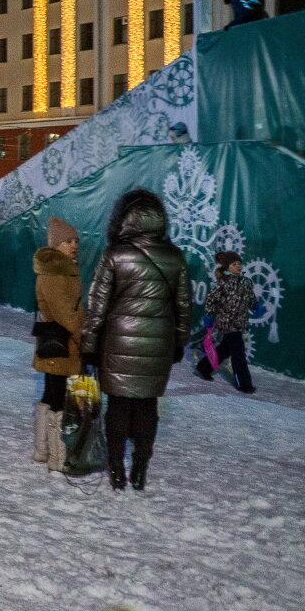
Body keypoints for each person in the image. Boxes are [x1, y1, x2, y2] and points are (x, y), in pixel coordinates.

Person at [80, 189, 190, 492]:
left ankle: (116, 467)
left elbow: (97, 306)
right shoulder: (174, 256)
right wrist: (179, 342)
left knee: (117, 406)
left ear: (122, 219)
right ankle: (141, 467)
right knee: (146, 407)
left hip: (118, 343)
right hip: (157, 345)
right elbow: (183, 305)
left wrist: (89, 346)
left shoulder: (115, 254)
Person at [30, 217, 84, 472]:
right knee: (59, 400)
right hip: (62, 343)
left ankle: (43, 451)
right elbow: (64, 313)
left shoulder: (63, 268)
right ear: (56, 245)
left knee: (52, 395)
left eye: (75, 241)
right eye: (68, 241)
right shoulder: (55, 272)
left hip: (59, 344)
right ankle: (58, 458)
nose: (74, 245)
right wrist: (84, 332)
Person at [197, 250, 258, 393]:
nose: (238, 266)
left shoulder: (246, 282)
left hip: (240, 321)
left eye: (239, 264)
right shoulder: (222, 282)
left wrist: (255, 305)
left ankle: (204, 367)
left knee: (225, 349)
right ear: (227, 267)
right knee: (238, 353)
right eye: (234, 264)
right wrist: (208, 315)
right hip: (227, 321)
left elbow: (250, 297)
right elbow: (211, 299)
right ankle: (244, 384)